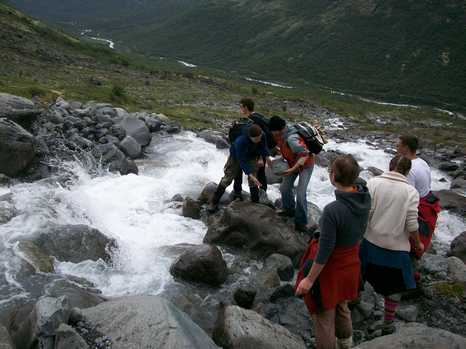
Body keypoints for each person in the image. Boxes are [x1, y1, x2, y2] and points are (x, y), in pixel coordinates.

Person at [295, 155, 370, 349]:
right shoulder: (364, 197)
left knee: (324, 317)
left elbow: (325, 249)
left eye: (330, 171)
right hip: (351, 265)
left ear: (334, 176)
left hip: (332, 270)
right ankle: (346, 343)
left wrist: (309, 280)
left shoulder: (333, 210)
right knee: (342, 305)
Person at [360, 155, 424, 335]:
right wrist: (418, 244)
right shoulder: (411, 192)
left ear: (390, 166)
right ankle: (388, 322)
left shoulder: (373, 183)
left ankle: (352, 305)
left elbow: (367, 213)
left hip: (370, 243)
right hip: (396, 249)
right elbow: (412, 224)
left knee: (360, 276)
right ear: (407, 171)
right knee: (395, 287)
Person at [209, 124, 271, 212]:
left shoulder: (262, 135)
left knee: (253, 180)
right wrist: (249, 174)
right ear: (250, 137)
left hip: (252, 154)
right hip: (236, 156)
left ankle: (255, 203)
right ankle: (214, 202)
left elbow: (263, 147)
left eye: (260, 137)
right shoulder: (240, 141)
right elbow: (242, 161)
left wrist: (267, 156)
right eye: (256, 139)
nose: (259, 140)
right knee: (228, 178)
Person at [396, 135, 440, 260]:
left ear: (406, 148)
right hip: (427, 201)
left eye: (398, 146)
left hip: (418, 207)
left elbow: (408, 196)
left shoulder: (409, 168)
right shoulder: (422, 162)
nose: (396, 148)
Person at [269, 116, 315, 232]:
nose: (272, 133)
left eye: (273, 131)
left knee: (300, 194)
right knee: (284, 187)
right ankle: (289, 209)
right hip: (292, 162)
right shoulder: (281, 136)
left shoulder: (292, 139)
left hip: (306, 166)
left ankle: (301, 222)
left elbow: (305, 155)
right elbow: (281, 149)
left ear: (280, 130)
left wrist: (291, 170)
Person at [230, 98, 275, 199]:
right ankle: (259, 194)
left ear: (245, 107)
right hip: (257, 150)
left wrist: (260, 157)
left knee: (254, 171)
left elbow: (262, 138)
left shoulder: (253, 119)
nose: (240, 109)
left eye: (241, 106)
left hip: (258, 151)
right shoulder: (258, 116)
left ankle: (243, 193)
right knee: (259, 172)